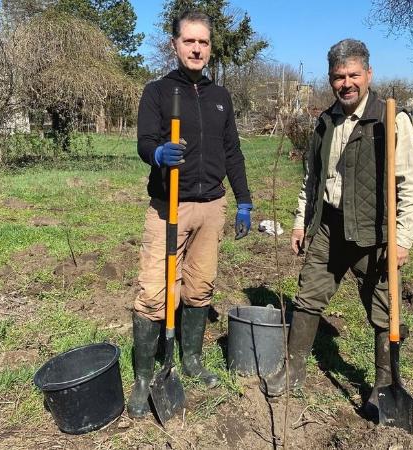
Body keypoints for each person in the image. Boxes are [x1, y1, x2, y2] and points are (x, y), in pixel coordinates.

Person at [262, 39, 413, 419]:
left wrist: (402, 239)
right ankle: (294, 368)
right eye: (339, 76)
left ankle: (385, 383)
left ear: (368, 74)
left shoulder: (390, 118)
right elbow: (312, 179)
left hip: (375, 234)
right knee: (308, 296)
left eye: (354, 74)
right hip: (329, 227)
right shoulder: (325, 122)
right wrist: (301, 222)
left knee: (385, 310)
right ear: (330, 79)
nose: (347, 83)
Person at [127, 10, 253, 418]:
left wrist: (244, 199)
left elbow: (232, 151)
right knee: (154, 292)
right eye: (189, 41)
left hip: (211, 206)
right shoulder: (158, 92)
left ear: (210, 48)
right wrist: (159, 154)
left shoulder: (220, 97)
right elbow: (144, 142)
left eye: (203, 42)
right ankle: (145, 375)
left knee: (200, 287)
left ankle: (193, 360)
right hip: (170, 206)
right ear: (175, 45)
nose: (197, 48)